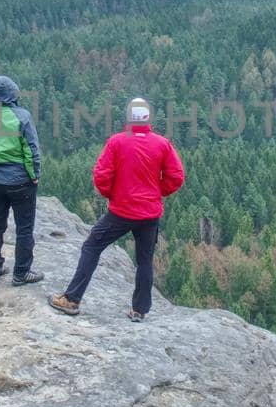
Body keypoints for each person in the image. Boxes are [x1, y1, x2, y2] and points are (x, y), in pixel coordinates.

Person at [50, 97, 184, 321]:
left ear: (128, 118)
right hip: (149, 214)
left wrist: (113, 195)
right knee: (144, 261)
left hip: (121, 211)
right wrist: (156, 193)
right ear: (148, 118)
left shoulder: (117, 142)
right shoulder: (162, 144)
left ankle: (72, 299)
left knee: (92, 246)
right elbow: (176, 177)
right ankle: (139, 311)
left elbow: (101, 176)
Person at [0, 75, 44, 285]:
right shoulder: (21, 116)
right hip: (20, 181)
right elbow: (31, 150)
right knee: (24, 228)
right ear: (12, 93)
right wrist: (34, 175)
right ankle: (21, 273)